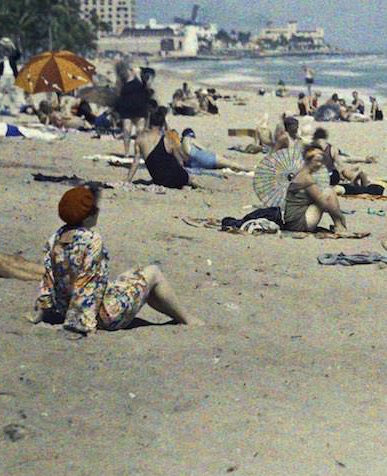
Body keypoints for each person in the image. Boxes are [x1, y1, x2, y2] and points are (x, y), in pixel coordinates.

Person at [31, 185, 201, 334]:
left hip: (64, 309)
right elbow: (87, 283)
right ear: (88, 215)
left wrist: (43, 312)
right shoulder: (91, 240)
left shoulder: (55, 238)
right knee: (154, 272)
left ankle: (177, 316)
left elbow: (48, 281)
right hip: (101, 315)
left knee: (134, 274)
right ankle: (187, 319)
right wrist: (82, 323)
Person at [282, 144, 350, 233]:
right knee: (329, 192)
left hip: (292, 221)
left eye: (321, 161)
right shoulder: (307, 178)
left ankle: (339, 224)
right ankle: (339, 225)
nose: (319, 164)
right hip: (299, 224)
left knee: (328, 192)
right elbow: (324, 205)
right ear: (308, 161)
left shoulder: (299, 173)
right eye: (317, 161)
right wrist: (340, 216)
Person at [128, 107, 191, 188]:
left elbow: (135, 162)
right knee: (188, 178)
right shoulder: (168, 139)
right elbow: (180, 162)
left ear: (150, 123)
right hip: (178, 178)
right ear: (162, 124)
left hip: (160, 180)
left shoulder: (140, 139)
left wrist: (128, 179)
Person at [114, 60, 151, 156]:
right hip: (127, 106)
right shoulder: (121, 79)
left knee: (139, 131)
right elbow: (118, 92)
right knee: (127, 130)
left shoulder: (138, 74)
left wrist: (138, 75)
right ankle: (126, 152)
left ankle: (138, 152)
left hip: (140, 105)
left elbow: (146, 87)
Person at [180, 129, 254, 172]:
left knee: (224, 166)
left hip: (195, 164)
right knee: (233, 164)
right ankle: (250, 169)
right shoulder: (189, 139)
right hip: (205, 158)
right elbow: (204, 149)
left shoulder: (181, 145)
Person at [0, 37, 21, 114]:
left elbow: (18, 54)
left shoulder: (12, 59)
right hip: (3, 77)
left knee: (12, 94)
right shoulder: (0, 62)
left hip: (11, 77)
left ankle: (15, 109)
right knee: (0, 93)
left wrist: (13, 46)